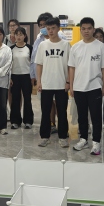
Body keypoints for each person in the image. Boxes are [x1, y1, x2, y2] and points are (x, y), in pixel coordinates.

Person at [68, 17, 104, 155]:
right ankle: (84, 139)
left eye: (89, 28)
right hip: (79, 87)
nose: (86, 31)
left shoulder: (101, 46)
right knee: (82, 116)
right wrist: (71, 86)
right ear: (80, 30)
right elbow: (72, 68)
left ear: (93, 29)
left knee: (96, 116)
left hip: (95, 86)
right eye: (84, 29)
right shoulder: (75, 47)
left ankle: (96, 142)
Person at [35, 17, 70, 148]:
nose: (50, 31)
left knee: (62, 112)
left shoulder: (66, 45)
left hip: (61, 83)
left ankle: (63, 137)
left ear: (58, 28)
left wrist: (68, 81)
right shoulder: (43, 45)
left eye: (53, 28)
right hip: (46, 84)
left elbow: (70, 65)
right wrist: (39, 81)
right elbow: (39, 64)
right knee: (45, 112)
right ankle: (45, 137)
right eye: (48, 28)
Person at [10, 27, 34, 129]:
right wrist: (9, 78)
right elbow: (9, 64)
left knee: (27, 99)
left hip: (27, 76)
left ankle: (28, 121)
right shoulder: (11, 49)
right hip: (14, 76)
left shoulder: (29, 48)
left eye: (21, 34)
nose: (18, 37)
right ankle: (15, 121)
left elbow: (33, 63)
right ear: (14, 36)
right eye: (17, 34)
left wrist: (33, 77)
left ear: (24, 36)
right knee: (15, 99)